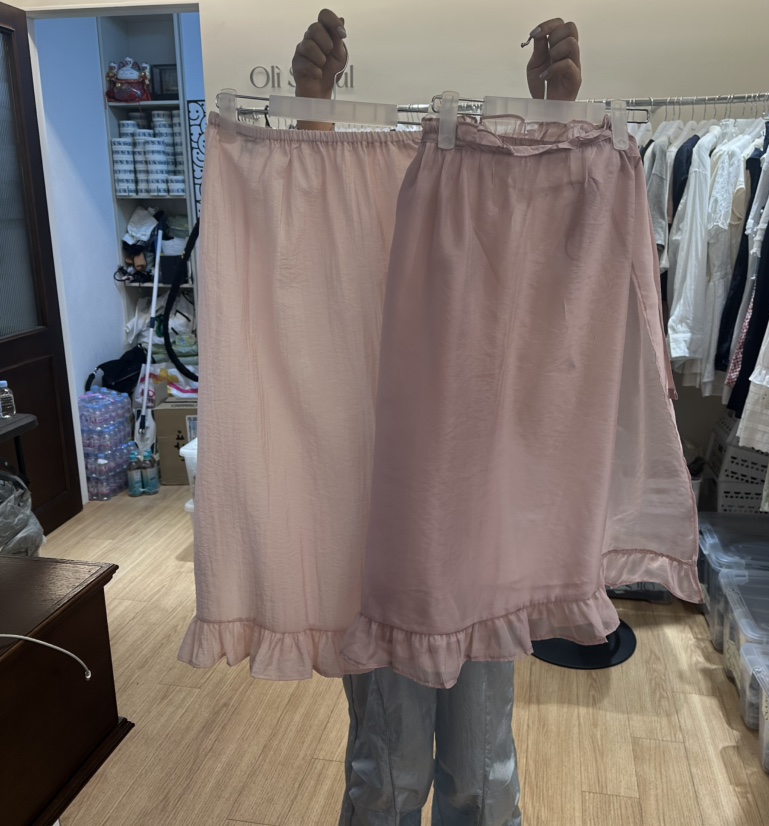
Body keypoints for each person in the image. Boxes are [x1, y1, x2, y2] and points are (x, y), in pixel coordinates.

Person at [291, 11, 582, 825]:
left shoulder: (494, 229)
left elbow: (552, 262)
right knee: (387, 771)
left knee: (481, 770)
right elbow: (309, 259)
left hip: (480, 525)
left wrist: (551, 118)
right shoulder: (367, 222)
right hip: (380, 527)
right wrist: (314, 111)